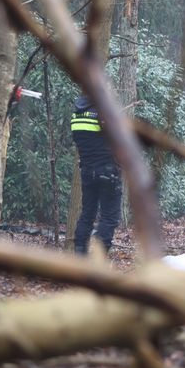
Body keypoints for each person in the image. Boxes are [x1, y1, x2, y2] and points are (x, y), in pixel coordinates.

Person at [70, 95, 122, 255]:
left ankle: (79, 258)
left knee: (87, 214)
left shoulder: (75, 115)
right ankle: (98, 258)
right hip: (108, 173)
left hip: (87, 171)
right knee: (110, 217)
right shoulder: (102, 112)